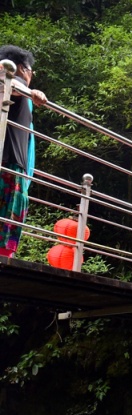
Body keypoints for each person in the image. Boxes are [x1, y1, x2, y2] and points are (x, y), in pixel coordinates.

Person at [0, 45, 47, 258]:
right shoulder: (13, 80)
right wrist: (30, 91)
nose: (32, 76)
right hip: (8, 165)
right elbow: (7, 80)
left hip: (12, 163)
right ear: (21, 68)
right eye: (31, 70)